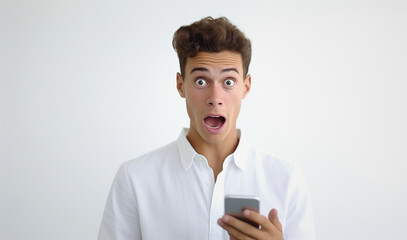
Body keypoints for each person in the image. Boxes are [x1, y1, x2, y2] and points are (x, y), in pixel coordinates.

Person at [98, 16, 315, 240]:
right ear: (181, 86)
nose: (215, 97)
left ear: (245, 87)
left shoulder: (287, 180)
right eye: (201, 81)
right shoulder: (135, 179)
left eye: (228, 81)